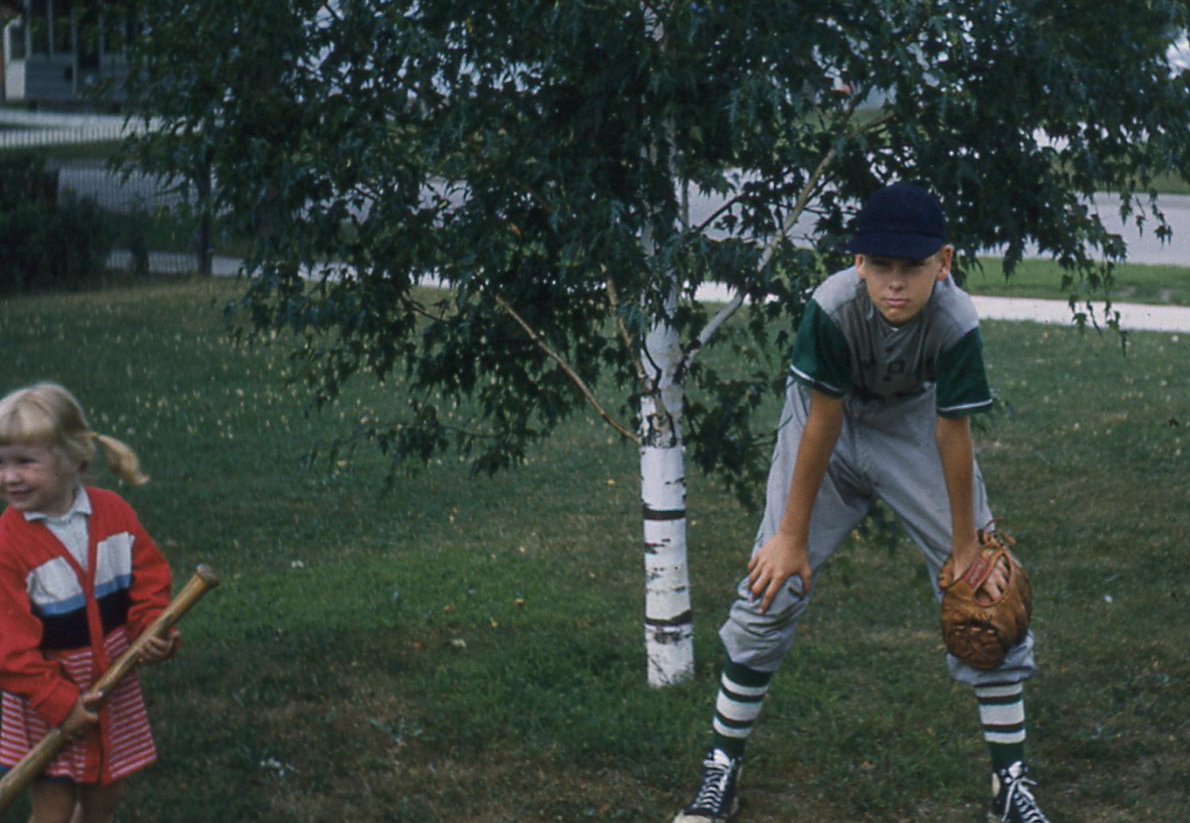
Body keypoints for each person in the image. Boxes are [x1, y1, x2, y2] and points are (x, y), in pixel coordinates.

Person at [672, 183, 1049, 823]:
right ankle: (721, 769)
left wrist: (964, 550)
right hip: (830, 431)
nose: (895, 284)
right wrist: (791, 538)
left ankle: (1010, 785)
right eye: (880, 267)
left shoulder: (956, 321)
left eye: (912, 267)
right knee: (772, 584)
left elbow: (952, 434)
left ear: (945, 262)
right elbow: (821, 421)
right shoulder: (833, 307)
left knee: (989, 594)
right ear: (858, 264)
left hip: (913, 429)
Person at [0, 382, 177, 823]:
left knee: (105, 797)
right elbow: (8, 646)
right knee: (54, 808)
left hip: (108, 689)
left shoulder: (114, 512)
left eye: (24, 461)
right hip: (44, 700)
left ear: (73, 458)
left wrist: (152, 630)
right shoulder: (7, 544)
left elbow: (148, 582)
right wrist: (59, 702)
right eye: (0, 463)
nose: (8, 476)